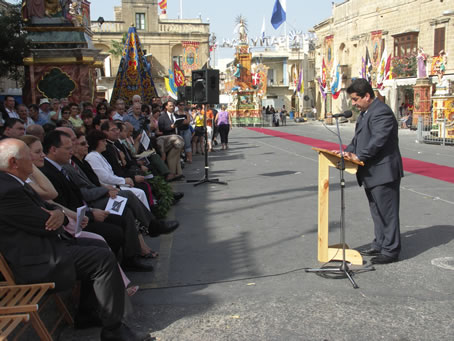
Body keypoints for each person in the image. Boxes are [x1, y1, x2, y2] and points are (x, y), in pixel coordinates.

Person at [0, 138, 154, 341]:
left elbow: (50, 207)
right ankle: (114, 330)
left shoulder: (13, 182)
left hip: (48, 245)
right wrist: (58, 215)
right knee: (101, 258)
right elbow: (45, 223)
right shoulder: (7, 190)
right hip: (37, 259)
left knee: (100, 245)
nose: (40, 157)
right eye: (30, 155)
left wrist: (57, 214)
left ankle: (88, 313)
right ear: (14, 163)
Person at [340, 79, 403, 264]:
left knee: (387, 213)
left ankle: (391, 251)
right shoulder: (366, 113)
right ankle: (380, 243)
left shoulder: (381, 112)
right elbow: (358, 139)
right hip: (371, 172)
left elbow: (378, 140)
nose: (353, 103)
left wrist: (358, 156)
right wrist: (347, 151)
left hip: (383, 172)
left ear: (367, 96)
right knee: (377, 211)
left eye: (355, 99)